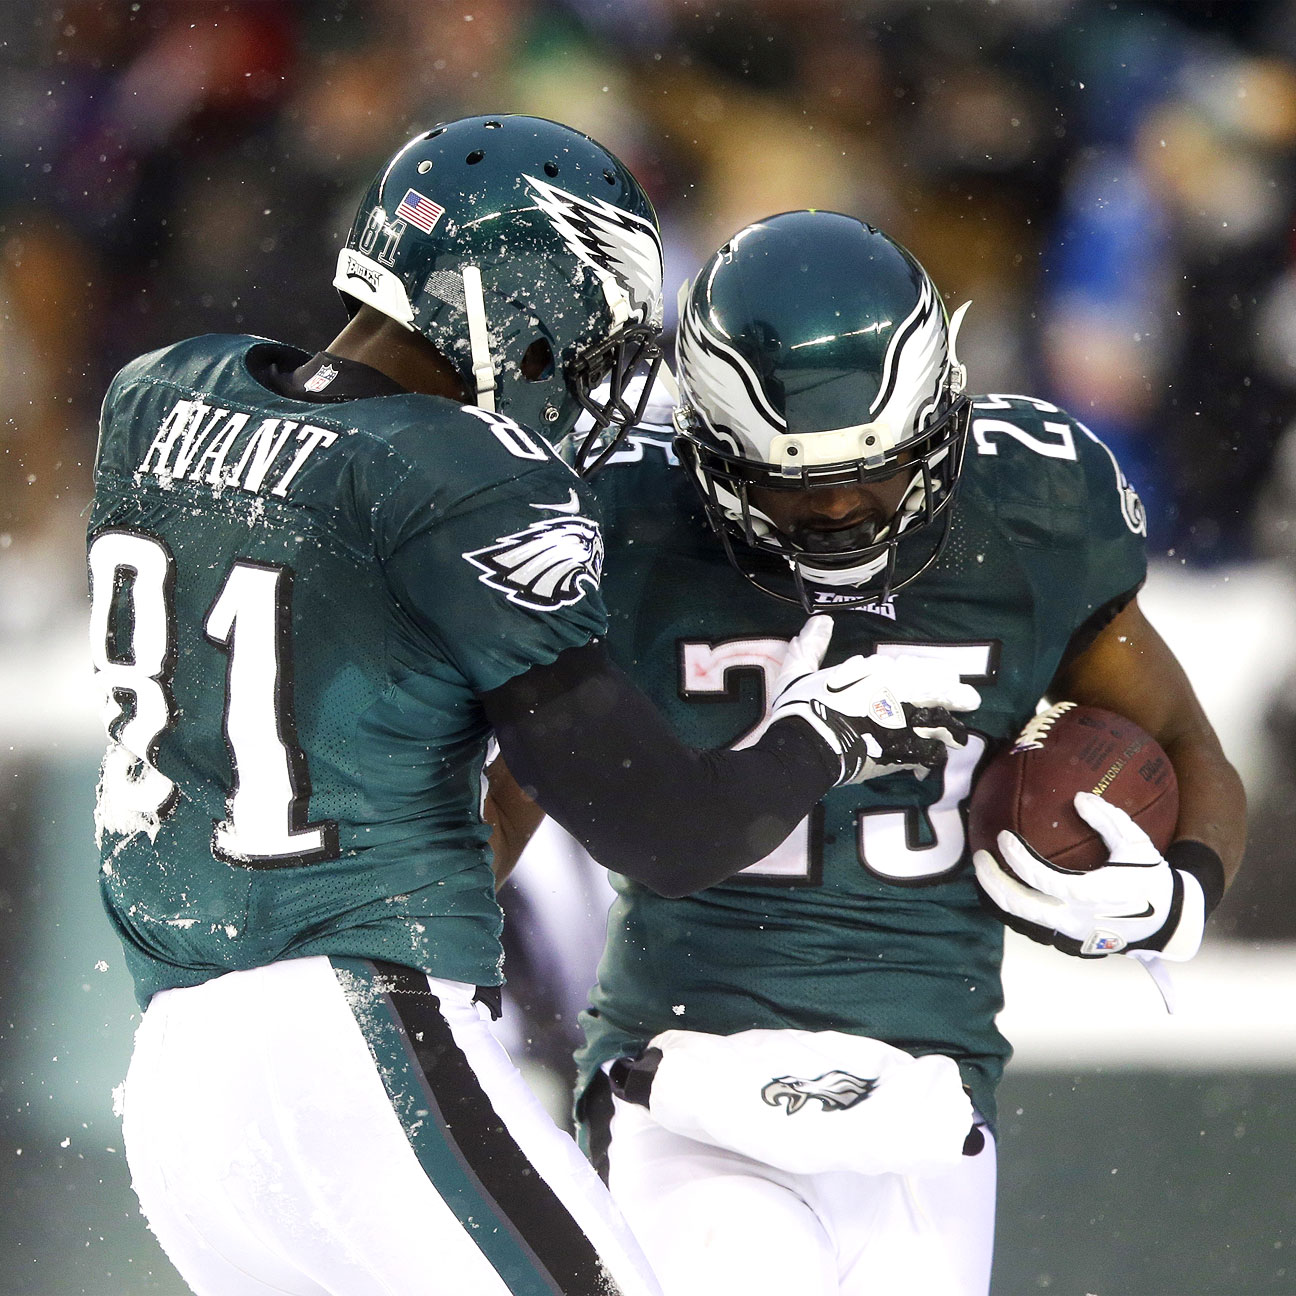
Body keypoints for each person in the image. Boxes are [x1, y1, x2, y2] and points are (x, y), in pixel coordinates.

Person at [86, 124, 981, 1296]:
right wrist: (832, 723)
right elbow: (667, 832)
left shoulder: (158, 394)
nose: (600, 367)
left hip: (177, 1087)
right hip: (357, 1043)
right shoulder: (459, 477)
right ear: (511, 300)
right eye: (596, 328)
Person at [494, 210, 1243, 1296]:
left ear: (943, 417)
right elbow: (505, 789)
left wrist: (1179, 892)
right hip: (690, 1082)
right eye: (794, 482)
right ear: (706, 443)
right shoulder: (623, 519)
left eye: (876, 472)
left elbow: (1182, 741)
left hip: (930, 1098)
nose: (841, 508)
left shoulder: (1033, 507)